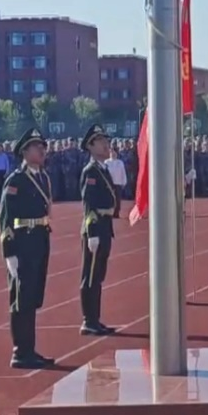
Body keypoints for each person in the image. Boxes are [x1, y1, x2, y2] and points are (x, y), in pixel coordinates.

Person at [0, 128, 55, 370]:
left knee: (32, 297)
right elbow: (5, 218)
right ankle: (20, 352)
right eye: (36, 146)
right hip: (22, 242)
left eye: (43, 146)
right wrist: (9, 251)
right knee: (21, 298)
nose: (42, 150)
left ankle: (29, 349)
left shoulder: (43, 178)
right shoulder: (16, 180)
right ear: (24, 151)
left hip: (39, 240)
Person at [78, 124, 118, 336]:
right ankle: (89, 320)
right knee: (91, 275)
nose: (106, 144)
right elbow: (89, 204)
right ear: (91, 146)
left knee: (98, 276)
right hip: (95, 228)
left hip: (105, 226)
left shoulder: (103, 169)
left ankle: (95, 319)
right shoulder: (90, 172)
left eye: (106, 140)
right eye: (101, 141)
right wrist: (92, 232)